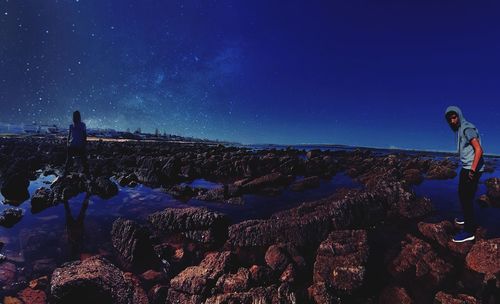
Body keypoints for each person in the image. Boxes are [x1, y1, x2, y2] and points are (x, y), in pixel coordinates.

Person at [445, 106, 485, 242]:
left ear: (459, 116)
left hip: (471, 168)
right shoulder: (461, 129)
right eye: (449, 119)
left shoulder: (467, 128)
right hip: (467, 167)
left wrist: (473, 170)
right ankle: (466, 218)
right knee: (463, 194)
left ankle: (469, 231)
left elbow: (479, 149)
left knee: (466, 198)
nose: (452, 121)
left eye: (454, 117)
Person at [63, 110, 90, 177]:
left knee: (69, 159)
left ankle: (65, 172)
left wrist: (67, 143)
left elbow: (69, 136)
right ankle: (86, 172)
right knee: (83, 159)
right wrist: (84, 144)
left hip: (72, 145)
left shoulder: (71, 126)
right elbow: (84, 135)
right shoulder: (83, 125)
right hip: (80, 145)